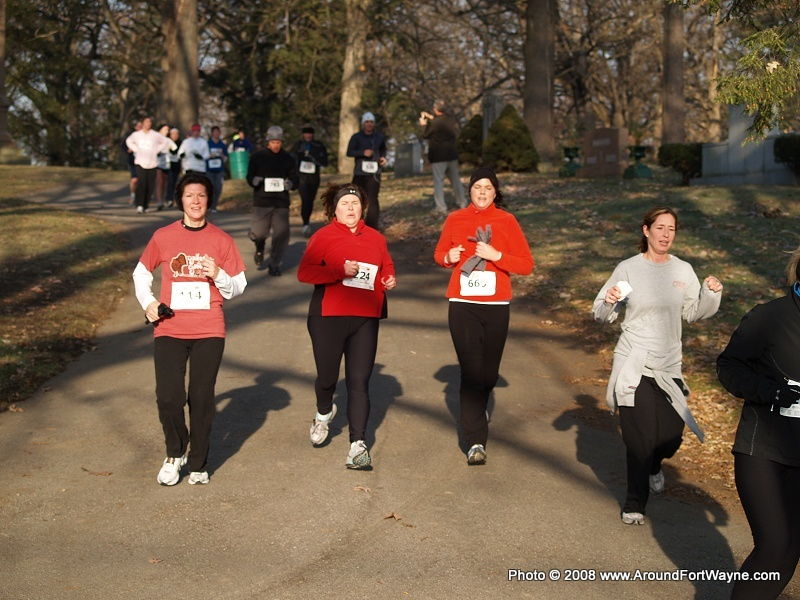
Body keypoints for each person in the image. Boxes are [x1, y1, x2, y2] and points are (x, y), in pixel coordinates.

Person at [592, 206, 723, 525]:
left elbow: (693, 312)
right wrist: (609, 301)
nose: (666, 234)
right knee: (640, 438)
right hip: (634, 363)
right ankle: (634, 503)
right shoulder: (628, 268)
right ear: (646, 230)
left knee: (670, 437)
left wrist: (710, 294)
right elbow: (600, 313)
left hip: (669, 366)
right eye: (660, 227)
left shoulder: (682, 270)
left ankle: (654, 464)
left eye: (671, 229)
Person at [132, 172, 247, 486]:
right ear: (180, 200)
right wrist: (149, 302)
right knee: (168, 397)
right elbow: (141, 273)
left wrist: (219, 274)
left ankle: (198, 462)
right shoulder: (163, 236)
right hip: (169, 326)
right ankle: (175, 451)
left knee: (201, 397)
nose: (195, 201)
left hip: (209, 328)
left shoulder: (221, 240)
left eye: (201, 195)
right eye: (189, 195)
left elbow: (238, 285)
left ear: (209, 200)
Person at [433, 167, 534, 465]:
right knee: (471, 372)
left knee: (488, 374)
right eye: (477, 187)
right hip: (462, 303)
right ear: (470, 190)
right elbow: (439, 254)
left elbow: (526, 265)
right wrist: (447, 257)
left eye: (488, 188)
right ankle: (475, 440)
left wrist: (496, 256)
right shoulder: (455, 219)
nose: (482, 192)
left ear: (495, 192)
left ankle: (478, 407)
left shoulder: (507, 221)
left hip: (496, 305)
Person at [717, 246, 800, 599]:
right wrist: (771, 391)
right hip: (763, 449)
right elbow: (729, 367)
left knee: (791, 548)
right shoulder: (770, 317)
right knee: (774, 543)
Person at [297, 183, 396, 469]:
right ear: (334, 210)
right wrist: (338, 271)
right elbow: (305, 272)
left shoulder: (376, 238)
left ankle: (358, 445)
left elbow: (386, 267)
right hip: (328, 317)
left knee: (359, 381)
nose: (351, 208)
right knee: (327, 378)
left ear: (363, 208)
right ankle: (323, 413)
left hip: (365, 317)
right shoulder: (323, 236)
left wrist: (389, 279)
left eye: (355, 203)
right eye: (345, 204)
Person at [246, 125, 298, 276]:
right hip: (262, 202)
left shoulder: (288, 158)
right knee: (258, 233)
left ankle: (275, 263)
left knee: (281, 234)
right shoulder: (257, 157)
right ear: (268, 142)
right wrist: (254, 180)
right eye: (273, 142)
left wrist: (291, 183)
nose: (276, 145)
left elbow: (295, 177)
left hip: (281, 202)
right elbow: (249, 176)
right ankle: (260, 247)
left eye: (278, 142)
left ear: (282, 142)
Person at [419, 100, 467, 215]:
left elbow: (425, 135)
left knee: (438, 182)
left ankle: (441, 207)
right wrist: (430, 118)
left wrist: (423, 125)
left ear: (435, 109)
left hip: (438, 156)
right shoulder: (450, 120)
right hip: (451, 154)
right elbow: (440, 123)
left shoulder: (434, 123)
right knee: (456, 180)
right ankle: (462, 202)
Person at [346, 112, 387, 230]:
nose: (369, 124)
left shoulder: (379, 137)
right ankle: (355, 224)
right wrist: (362, 153)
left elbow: (383, 150)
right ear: (363, 124)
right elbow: (349, 152)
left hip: (374, 173)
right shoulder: (356, 137)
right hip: (359, 173)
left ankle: (372, 228)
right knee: (356, 198)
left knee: (372, 199)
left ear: (374, 124)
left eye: (371, 122)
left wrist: (383, 158)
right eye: (367, 122)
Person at [126, 116, 173, 213]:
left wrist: (157, 150)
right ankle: (139, 204)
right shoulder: (136, 135)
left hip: (152, 163)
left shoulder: (155, 135)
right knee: (141, 183)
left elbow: (165, 141)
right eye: (146, 122)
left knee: (150, 185)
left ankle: (146, 205)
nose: (148, 124)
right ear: (143, 123)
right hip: (140, 162)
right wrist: (136, 149)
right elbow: (128, 141)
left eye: (150, 122)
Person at [291, 125, 328, 238]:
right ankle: (305, 223)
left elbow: (325, 161)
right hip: (301, 177)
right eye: (306, 133)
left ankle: (307, 220)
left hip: (314, 177)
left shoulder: (318, 145)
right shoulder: (297, 145)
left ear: (313, 135)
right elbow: (291, 158)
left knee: (310, 200)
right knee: (305, 199)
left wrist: (313, 157)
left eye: (310, 133)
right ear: (303, 135)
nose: (308, 135)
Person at [155, 123, 177, 210]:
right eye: (165, 129)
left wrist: (171, 153)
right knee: (159, 182)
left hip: (166, 164)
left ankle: (163, 199)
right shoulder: (155, 139)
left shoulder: (168, 140)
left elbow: (175, 148)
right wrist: (157, 152)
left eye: (167, 130)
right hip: (157, 163)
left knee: (164, 183)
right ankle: (159, 201)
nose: (166, 131)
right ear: (160, 130)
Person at [207, 125, 228, 212]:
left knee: (218, 187)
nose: (216, 134)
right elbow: (204, 155)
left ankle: (214, 206)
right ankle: (210, 205)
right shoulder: (207, 144)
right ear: (212, 133)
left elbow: (226, 157)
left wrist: (223, 156)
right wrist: (209, 155)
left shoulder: (222, 144)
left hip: (219, 169)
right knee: (210, 187)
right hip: (209, 169)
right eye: (214, 132)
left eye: (218, 132)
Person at [122, 119, 142, 205]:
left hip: (145, 161)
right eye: (138, 126)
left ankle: (142, 197)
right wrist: (128, 150)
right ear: (135, 127)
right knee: (134, 180)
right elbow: (123, 145)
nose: (139, 128)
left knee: (143, 180)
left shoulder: (147, 136)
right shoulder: (131, 136)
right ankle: (133, 196)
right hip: (133, 161)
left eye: (141, 126)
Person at [165, 127, 182, 209]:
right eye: (173, 134)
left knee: (176, 182)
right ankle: (169, 199)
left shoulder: (181, 143)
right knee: (170, 182)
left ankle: (176, 199)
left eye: (176, 134)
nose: (175, 135)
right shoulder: (167, 142)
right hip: (168, 165)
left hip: (177, 165)